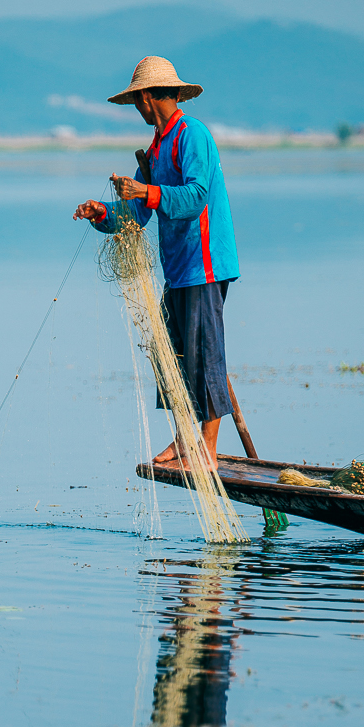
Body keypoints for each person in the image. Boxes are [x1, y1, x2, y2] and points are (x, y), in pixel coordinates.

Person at [74, 56, 240, 470]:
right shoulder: (153, 150)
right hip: (179, 268)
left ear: (148, 97)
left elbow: (195, 195)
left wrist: (145, 191)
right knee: (171, 354)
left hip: (205, 263)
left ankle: (208, 447)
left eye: (137, 102)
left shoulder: (191, 135)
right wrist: (102, 214)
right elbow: (137, 214)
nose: (137, 109)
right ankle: (185, 439)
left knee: (205, 354)